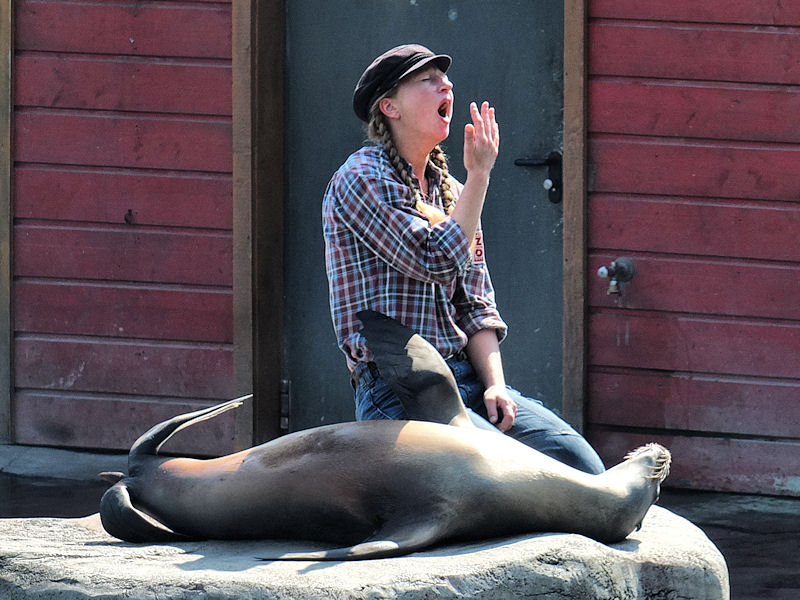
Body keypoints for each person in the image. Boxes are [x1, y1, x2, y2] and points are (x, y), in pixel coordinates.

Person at [322, 44, 604, 474]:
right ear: (389, 107)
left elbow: (475, 304)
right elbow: (434, 260)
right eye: (427, 80)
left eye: (445, 78)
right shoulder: (362, 179)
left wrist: (496, 387)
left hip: (464, 380)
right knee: (510, 474)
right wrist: (480, 177)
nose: (446, 85)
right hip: (399, 387)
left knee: (581, 465)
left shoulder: (452, 190)